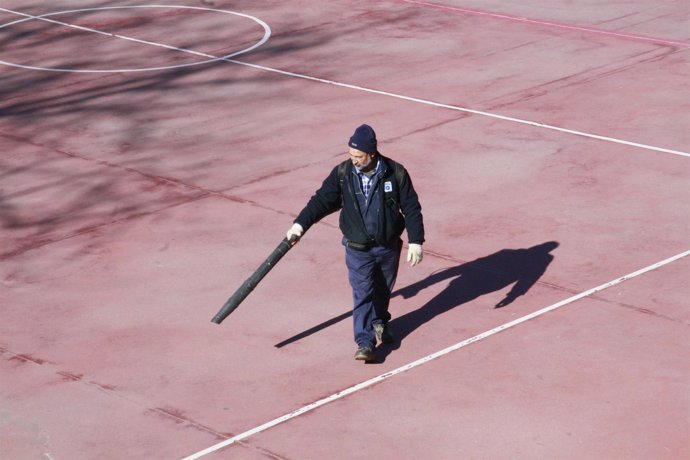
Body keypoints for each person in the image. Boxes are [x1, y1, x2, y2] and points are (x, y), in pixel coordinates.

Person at [286, 124, 425, 362]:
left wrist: (416, 241)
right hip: (358, 249)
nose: (354, 161)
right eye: (351, 155)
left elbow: (411, 207)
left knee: (382, 290)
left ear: (372, 153)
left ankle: (380, 321)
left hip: (387, 246)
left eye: (358, 156)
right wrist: (299, 225)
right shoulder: (343, 174)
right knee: (363, 293)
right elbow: (320, 202)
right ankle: (365, 342)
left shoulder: (396, 172)